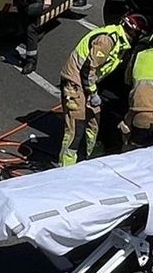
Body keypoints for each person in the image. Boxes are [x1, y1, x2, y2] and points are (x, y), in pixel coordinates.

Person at [58, 13, 146, 166]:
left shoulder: (121, 44)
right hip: (75, 84)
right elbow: (88, 69)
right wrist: (92, 93)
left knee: (93, 123)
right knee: (76, 129)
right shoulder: (107, 40)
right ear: (133, 31)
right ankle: (66, 168)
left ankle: (88, 161)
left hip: (87, 84)